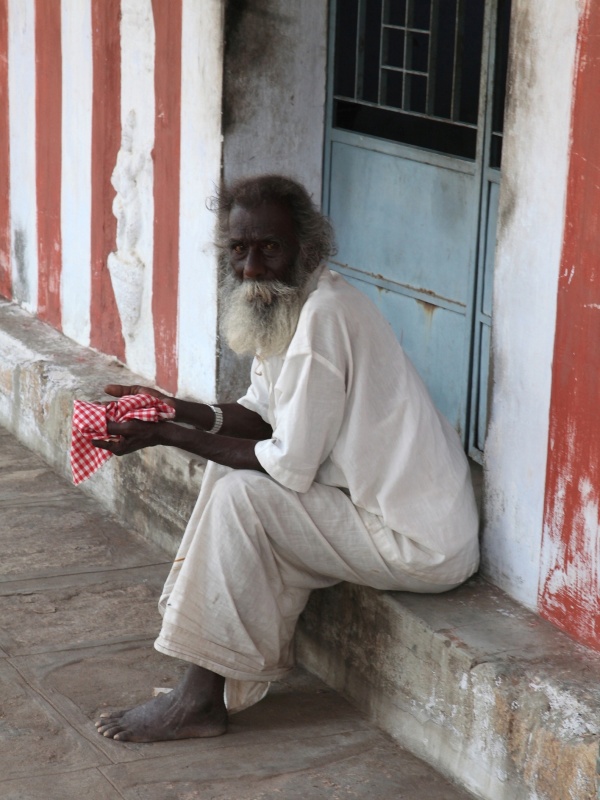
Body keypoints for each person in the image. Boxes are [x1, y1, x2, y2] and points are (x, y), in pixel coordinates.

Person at [93, 174, 479, 743]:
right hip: (379, 515)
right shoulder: (289, 303)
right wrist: (171, 411)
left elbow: (289, 462)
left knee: (242, 495)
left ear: (307, 248)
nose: (252, 267)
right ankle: (201, 682)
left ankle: (198, 699)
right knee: (231, 470)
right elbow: (260, 413)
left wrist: (171, 436)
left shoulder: (325, 316)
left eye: (269, 248)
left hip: (419, 541)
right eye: (239, 249)